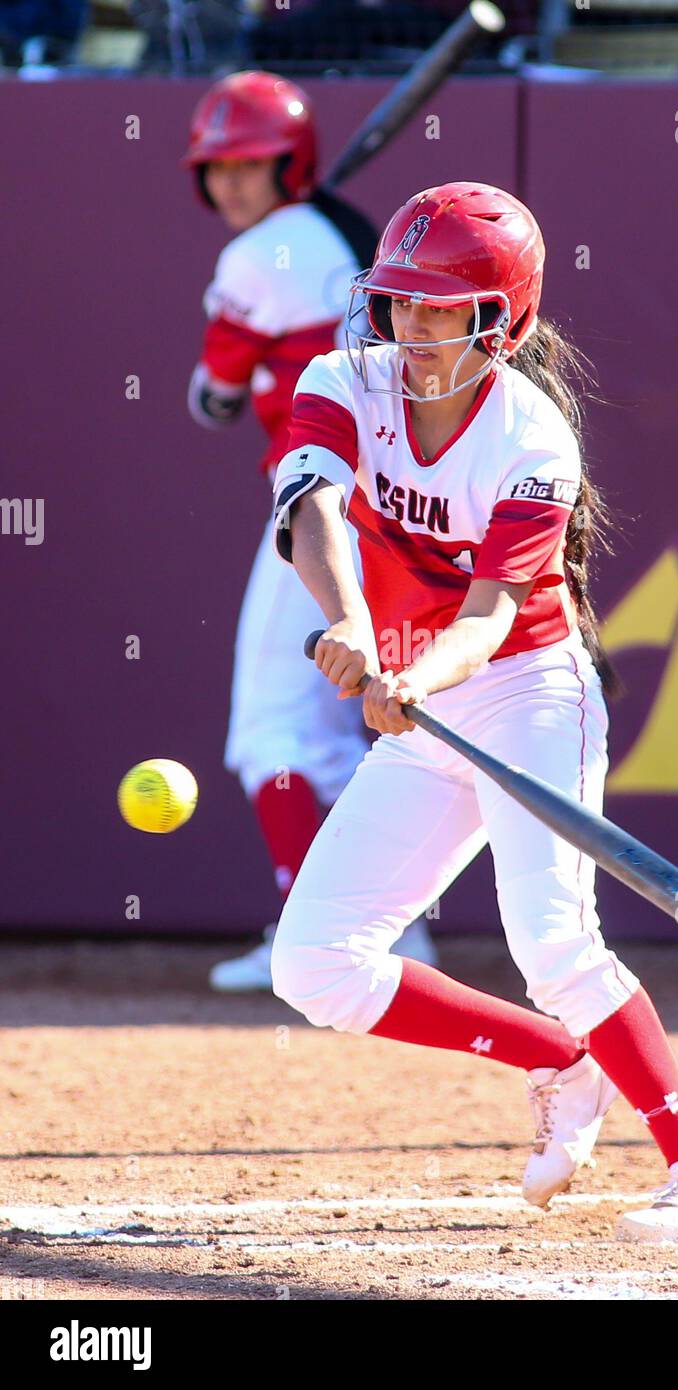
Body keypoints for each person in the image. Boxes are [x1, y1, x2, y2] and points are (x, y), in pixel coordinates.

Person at [268, 181, 678, 1239]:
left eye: (445, 308)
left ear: (503, 320)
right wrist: (355, 624)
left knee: (550, 936)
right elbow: (312, 507)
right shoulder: (339, 379)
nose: (416, 328)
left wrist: (417, 676)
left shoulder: (532, 436)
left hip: (527, 688)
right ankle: (560, 1059)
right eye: (402, 301)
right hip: (412, 688)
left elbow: (492, 616)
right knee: (313, 961)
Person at [184, 71, 437, 990]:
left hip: (318, 503)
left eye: (252, 164)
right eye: (219, 168)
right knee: (341, 733)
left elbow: (211, 399)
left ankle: (314, 933)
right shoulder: (349, 233)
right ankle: (388, 938)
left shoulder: (262, 254)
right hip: (403, 504)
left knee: (273, 730)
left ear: (289, 161)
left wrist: (230, 379)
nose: (233, 185)